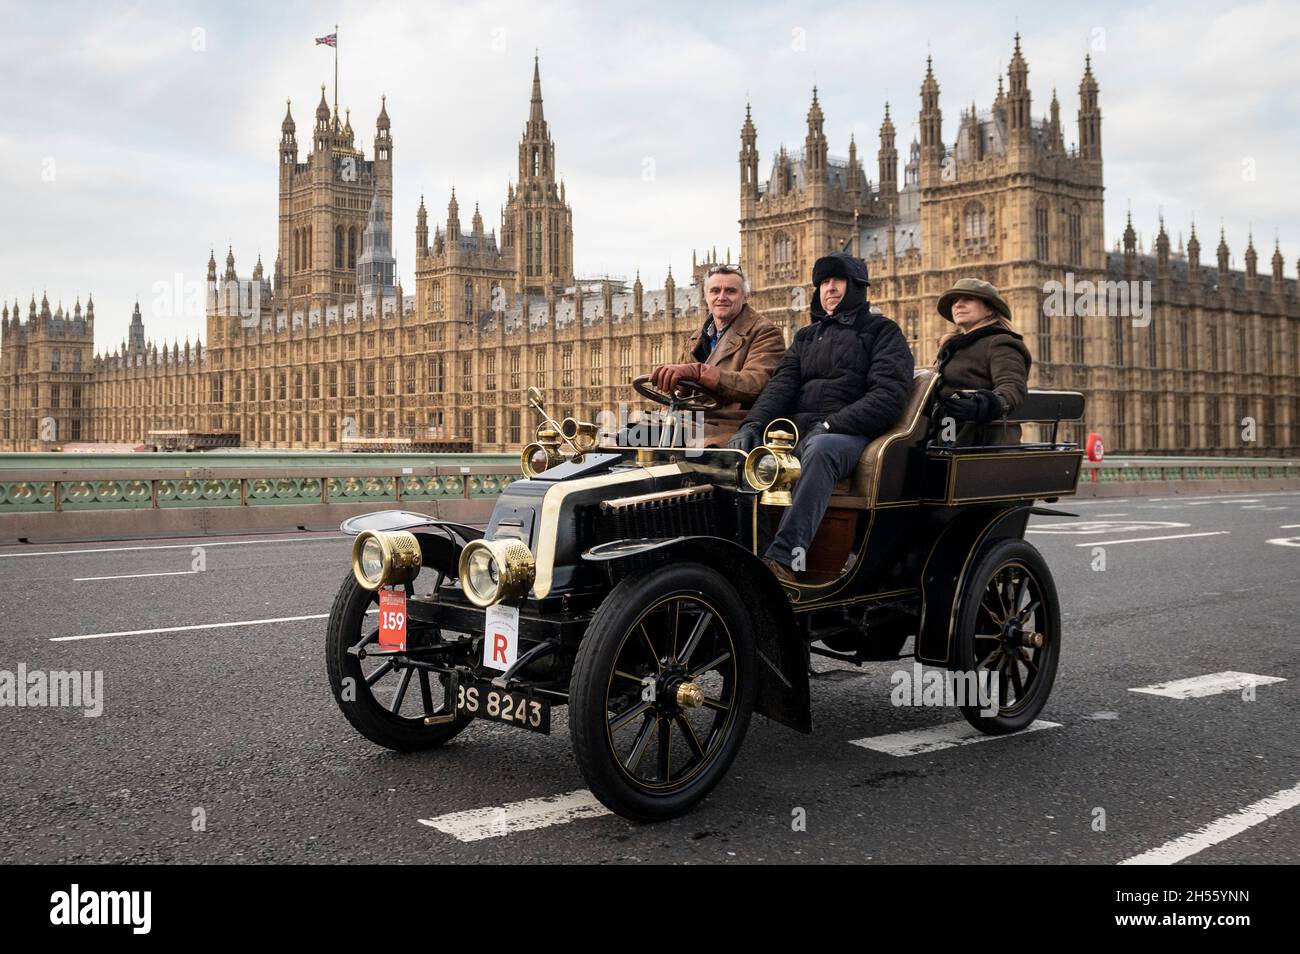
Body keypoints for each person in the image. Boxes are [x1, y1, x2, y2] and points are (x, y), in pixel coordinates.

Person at [728, 251, 914, 582]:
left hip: (850, 437)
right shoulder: (805, 337)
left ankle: (784, 560)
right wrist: (752, 424)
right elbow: (780, 387)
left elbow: (888, 398)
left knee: (820, 450)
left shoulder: (882, 331)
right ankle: (749, 556)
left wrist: (831, 424)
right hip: (803, 432)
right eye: (824, 282)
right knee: (743, 457)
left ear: (856, 286)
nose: (829, 288)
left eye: (837, 281)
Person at [648, 264, 786, 447]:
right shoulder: (697, 337)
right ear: (706, 297)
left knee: (686, 445)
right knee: (630, 435)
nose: (721, 297)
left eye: (730, 291)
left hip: (732, 426)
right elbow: (681, 389)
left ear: (746, 297)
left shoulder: (765, 332)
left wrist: (698, 372)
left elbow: (754, 384)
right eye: (715, 291)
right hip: (692, 422)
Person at [933, 278, 1031, 445]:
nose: (958, 304)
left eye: (968, 299)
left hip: (981, 442)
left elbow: (1013, 387)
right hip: (948, 435)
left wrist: (983, 404)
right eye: (955, 301)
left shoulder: (1001, 342)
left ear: (989, 310)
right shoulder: (952, 346)